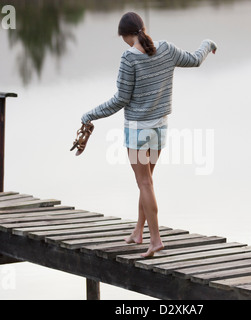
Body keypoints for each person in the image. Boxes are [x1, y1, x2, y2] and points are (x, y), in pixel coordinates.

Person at [81, 12, 217, 257]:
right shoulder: (166, 49)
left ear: (124, 35)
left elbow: (120, 99)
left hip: (137, 130)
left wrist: (90, 114)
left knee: (144, 183)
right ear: (142, 28)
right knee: (147, 183)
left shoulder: (129, 58)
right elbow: (196, 59)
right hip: (160, 128)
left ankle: (155, 240)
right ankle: (138, 232)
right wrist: (207, 44)